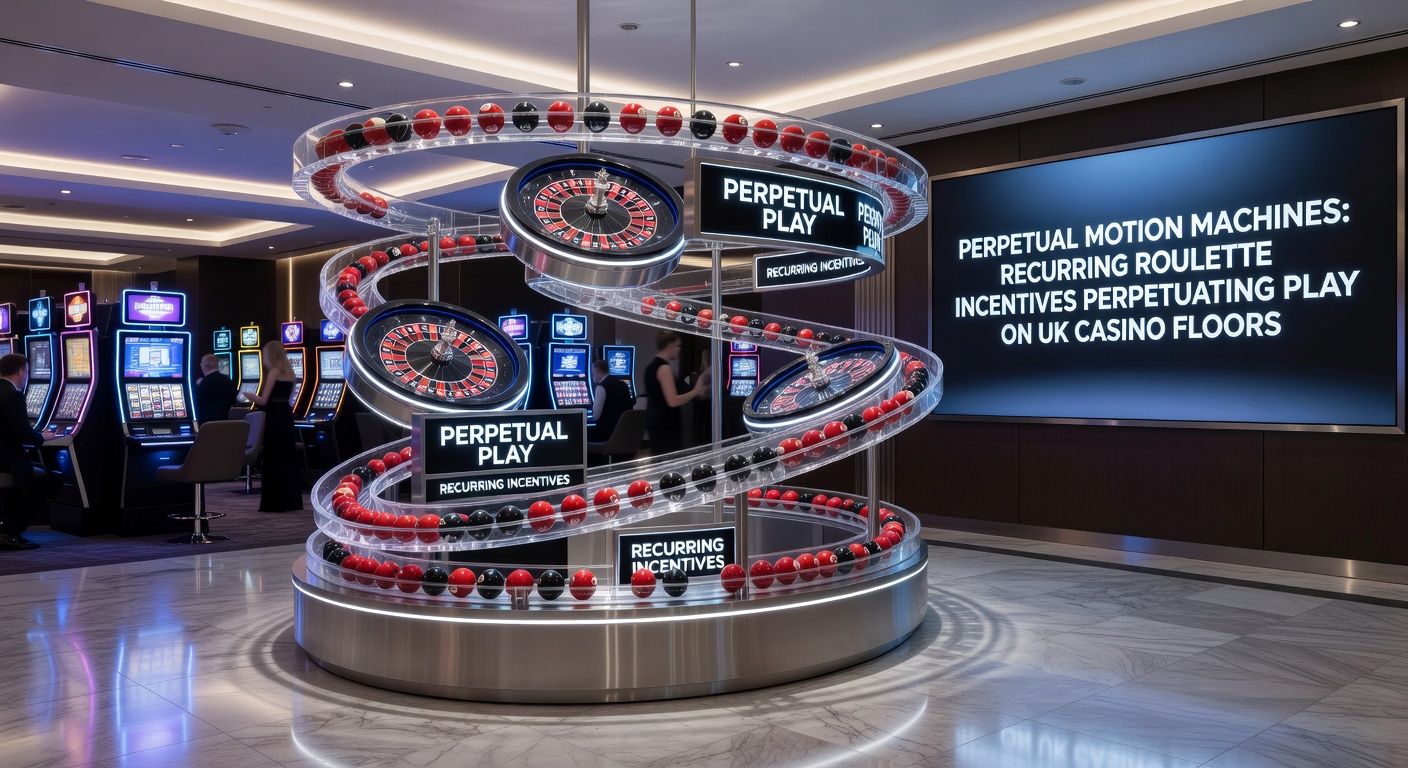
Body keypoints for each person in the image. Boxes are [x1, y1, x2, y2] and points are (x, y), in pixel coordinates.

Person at [0, 353, 55, 549]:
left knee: (18, 484)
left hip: (2, 458)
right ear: (22, 371)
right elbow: (23, 434)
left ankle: (5, 527)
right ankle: (12, 530)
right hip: (6, 461)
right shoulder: (13, 395)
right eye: (27, 372)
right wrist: (41, 437)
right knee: (47, 481)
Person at [246, 341, 302, 512]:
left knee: (274, 457)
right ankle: (291, 501)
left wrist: (248, 395)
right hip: (286, 414)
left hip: (274, 416)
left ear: (270, 355)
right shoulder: (291, 373)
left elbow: (264, 400)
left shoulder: (274, 372)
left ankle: (275, 502)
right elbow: (290, 398)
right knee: (287, 457)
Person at [643, 330, 708, 456]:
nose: (679, 349)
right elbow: (672, 401)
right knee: (667, 465)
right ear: (670, 346)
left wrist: (700, 380)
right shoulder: (664, 368)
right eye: (677, 346)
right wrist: (697, 392)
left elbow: (684, 390)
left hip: (657, 422)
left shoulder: (651, 367)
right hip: (664, 425)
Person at [588, 359, 634, 444]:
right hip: (624, 432)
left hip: (607, 434)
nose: (593, 376)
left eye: (593, 373)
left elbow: (596, 416)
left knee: (585, 434)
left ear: (598, 371)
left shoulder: (601, 387)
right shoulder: (623, 385)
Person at [195, 353, 236, 425]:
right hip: (227, 422)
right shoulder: (227, 380)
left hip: (208, 423)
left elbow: (199, 403)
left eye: (201, 364)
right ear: (217, 365)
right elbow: (233, 400)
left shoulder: (205, 382)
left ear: (204, 366)